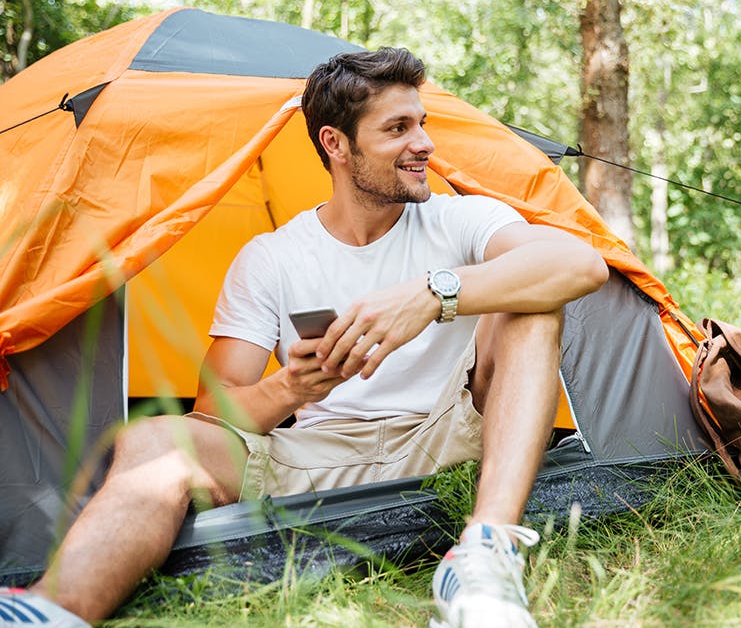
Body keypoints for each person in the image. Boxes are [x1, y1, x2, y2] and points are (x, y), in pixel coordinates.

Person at [3, 48, 608, 628]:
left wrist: (432, 296)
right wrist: (292, 387)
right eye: (397, 128)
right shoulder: (272, 258)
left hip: (449, 431)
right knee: (160, 438)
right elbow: (215, 413)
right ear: (336, 144)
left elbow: (580, 265)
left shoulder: (459, 218)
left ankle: (484, 556)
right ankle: (57, 608)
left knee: (531, 303)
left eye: (422, 124)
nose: (424, 143)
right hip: (319, 454)